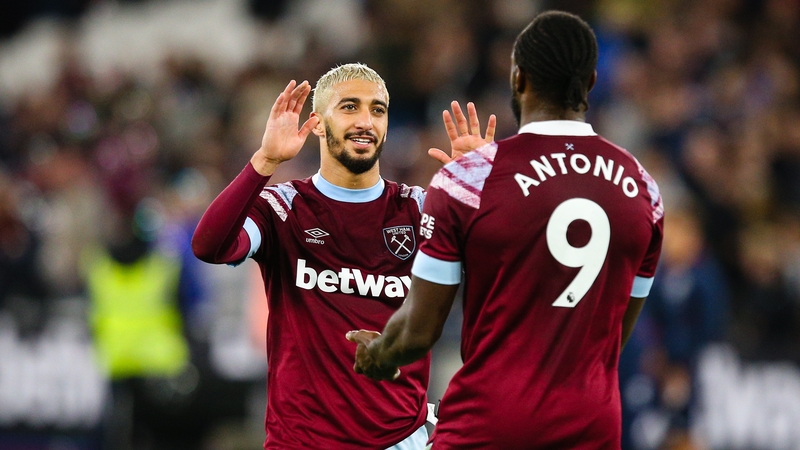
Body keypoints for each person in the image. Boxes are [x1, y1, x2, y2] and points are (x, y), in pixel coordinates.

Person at [348, 11, 665, 449]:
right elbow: (612, 333)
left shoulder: (469, 180)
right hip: (592, 427)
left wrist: (379, 356)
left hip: (491, 424)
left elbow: (417, 333)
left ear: (518, 78)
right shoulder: (643, 190)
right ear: (591, 82)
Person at [191, 63, 494, 449]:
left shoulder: (419, 209)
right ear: (317, 123)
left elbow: (511, 266)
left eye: (378, 110)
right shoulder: (284, 208)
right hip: (301, 441)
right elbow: (209, 246)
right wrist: (264, 162)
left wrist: (484, 194)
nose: (366, 121)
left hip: (401, 439)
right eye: (350, 107)